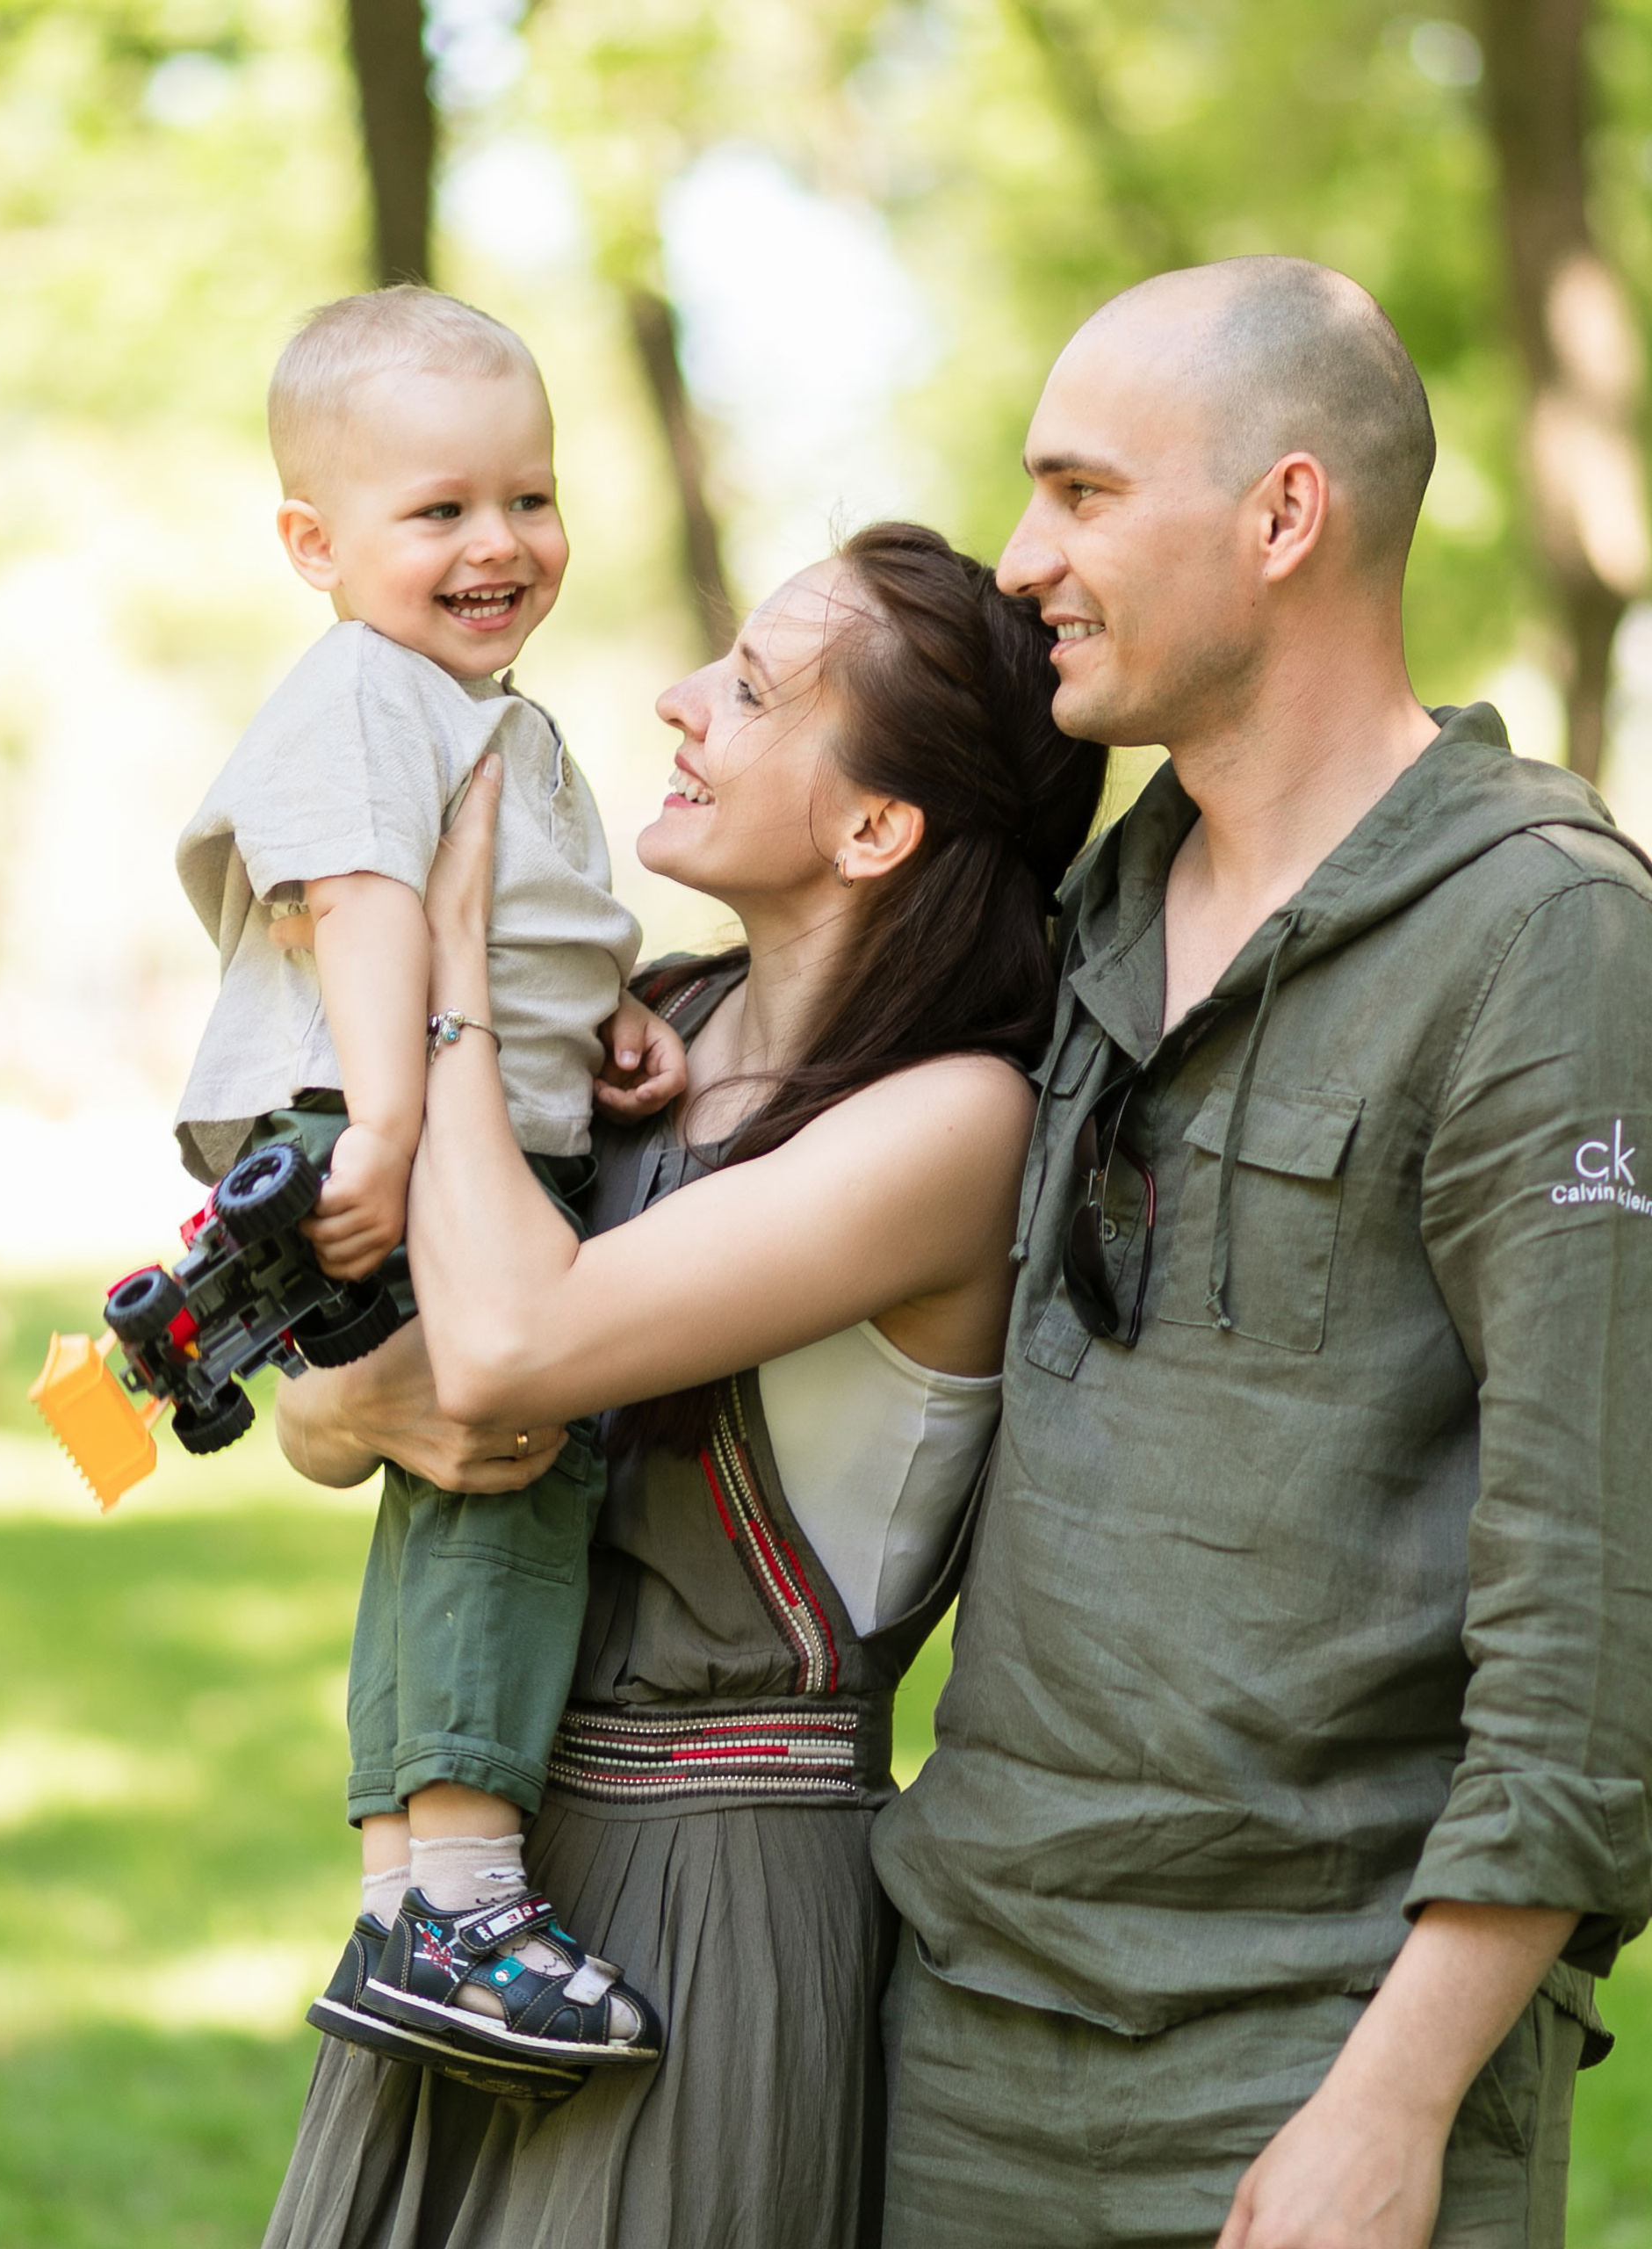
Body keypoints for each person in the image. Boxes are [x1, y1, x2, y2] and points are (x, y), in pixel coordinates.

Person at [875, 257, 1652, 2249]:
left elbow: (1596, 1593)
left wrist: (1389, 2102)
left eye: (1077, 492)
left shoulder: (1541, 935)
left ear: (1281, 515)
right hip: (957, 2032)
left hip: (1310, 2066)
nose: (1021, 556)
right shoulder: (1072, 914)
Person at [262, 520, 1108, 2249]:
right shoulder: (648, 1018)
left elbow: (508, 1346)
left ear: (875, 825)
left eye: (751, 686)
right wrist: (347, 1408)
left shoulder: (952, 1122)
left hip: (715, 1892)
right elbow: (331, 1411)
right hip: (471, 1865)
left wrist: (449, 966)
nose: (676, 699)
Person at [173, 284, 676, 2088]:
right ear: (312, 543)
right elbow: (359, 901)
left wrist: (594, 1013)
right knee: (511, 1457)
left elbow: (503, 924)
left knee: (447, 1482)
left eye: (527, 498)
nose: (498, 544)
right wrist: (388, 1122)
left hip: (423, 1102)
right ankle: (461, 1892)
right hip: (360, 1110)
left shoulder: (470, 706)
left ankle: (404, 1885)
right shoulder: (368, 693)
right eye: (438, 510)